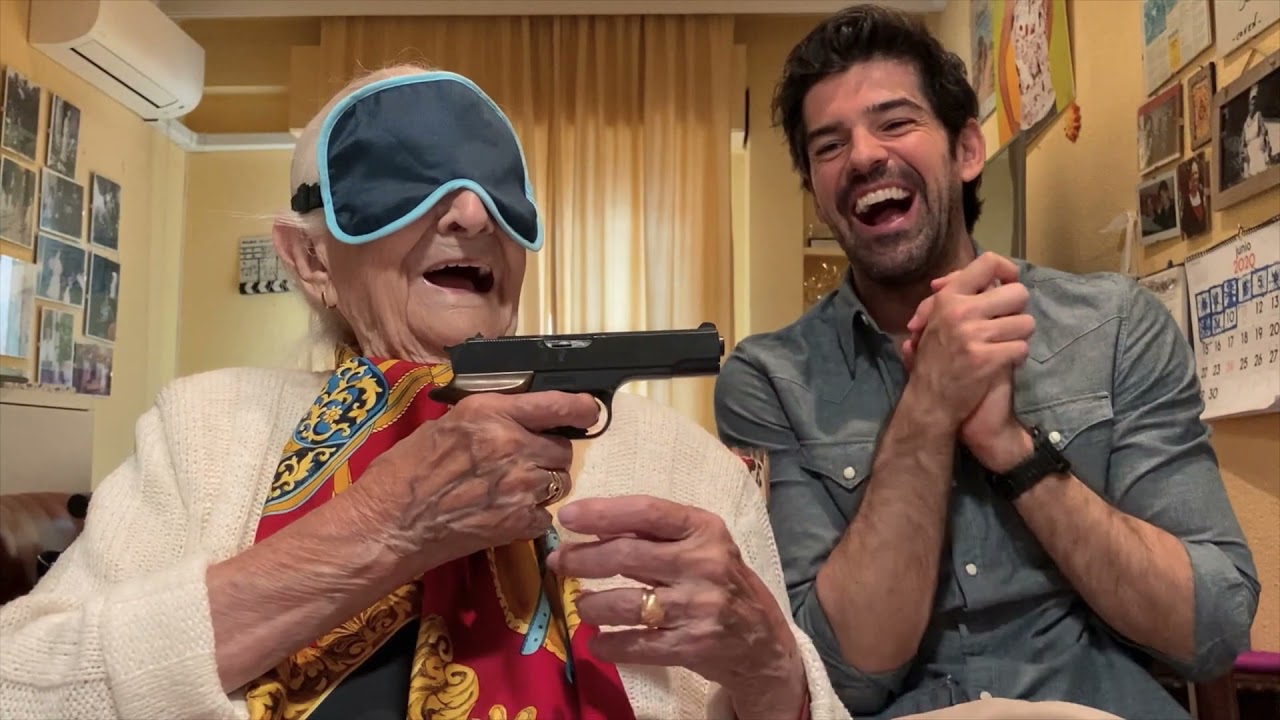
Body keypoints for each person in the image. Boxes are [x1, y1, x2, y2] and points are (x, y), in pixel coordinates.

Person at [0, 64, 851, 720]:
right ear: (310, 259)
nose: (471, 216)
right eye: (405, 181)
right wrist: (379, 529)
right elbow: (22, 689)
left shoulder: (687, 470)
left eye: (494, 187)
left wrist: (773, 670)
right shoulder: (204, 434)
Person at [714, 5, 1259, 720]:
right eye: (829, 145)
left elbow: (1214, 628)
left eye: (895, 121)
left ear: (967, 150)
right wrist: (928, 407)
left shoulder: (1116, 325)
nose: (863, 155)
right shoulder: (768, 382)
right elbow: (838, 677)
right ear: (818, 196)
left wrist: (1013, 449)